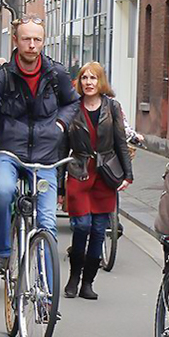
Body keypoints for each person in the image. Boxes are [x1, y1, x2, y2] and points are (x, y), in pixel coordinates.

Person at [0, 15, 79, 272]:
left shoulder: (57, 73)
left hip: (45, 156)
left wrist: (61, 124)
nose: (32, 44)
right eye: (26, 39)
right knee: (3, 190)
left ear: (43, 42)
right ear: (16, 40)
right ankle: (0, 249)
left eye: (37, 39)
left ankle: (45, 299)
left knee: (47, 223)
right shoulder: (1, 76)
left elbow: (73, 102)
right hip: (8, 151)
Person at [64, 62, 133, 299]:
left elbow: (120, 142)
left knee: (97, 230)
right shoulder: (72, 107)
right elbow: (62, 145)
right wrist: (58, 180)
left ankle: (87, 283)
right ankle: (73, 276)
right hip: (79, 171)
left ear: (101, 81)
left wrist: (128, 174)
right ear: (79, 82)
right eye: (84, 78)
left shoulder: (112, 107)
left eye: (93, 78)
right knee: (81, 225)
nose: (89, 82)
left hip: (105, 173)